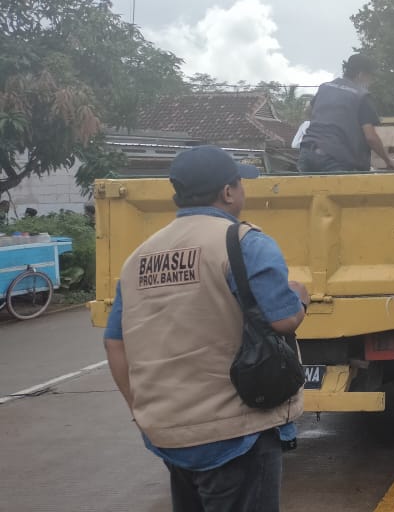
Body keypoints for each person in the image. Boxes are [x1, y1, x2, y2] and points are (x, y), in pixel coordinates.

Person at [103, 145, 309, 511]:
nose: (243, 192)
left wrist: (141, 410)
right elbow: (282, 320)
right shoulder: (244, 243)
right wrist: (300, 298)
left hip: (168, 431)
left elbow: (115, 343)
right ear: (228, 192)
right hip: (236, 431)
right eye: (240, 184)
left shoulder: (139, 257)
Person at [299, 53, 394, 172]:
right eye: (371, 77)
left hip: (307, 153)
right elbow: (371, 137)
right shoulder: (361, 96)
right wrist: (388, 160)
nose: (371, 82)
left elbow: (307, 112)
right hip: (334, 160)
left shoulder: (325, 87)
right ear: (361, 74)